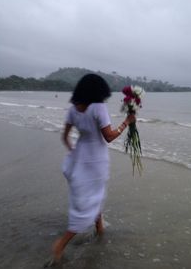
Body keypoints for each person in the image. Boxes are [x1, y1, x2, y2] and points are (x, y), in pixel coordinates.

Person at [46, 74, 135, 266]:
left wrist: (75, 155)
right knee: (89, 203)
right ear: (98, 91)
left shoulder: (72, 110)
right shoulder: (99, 108)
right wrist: (127, 122)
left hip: (81, 157)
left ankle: (100, 229)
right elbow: (109, 136)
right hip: (96, 160)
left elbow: (65, 137)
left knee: (94, 195)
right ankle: (60, 245)